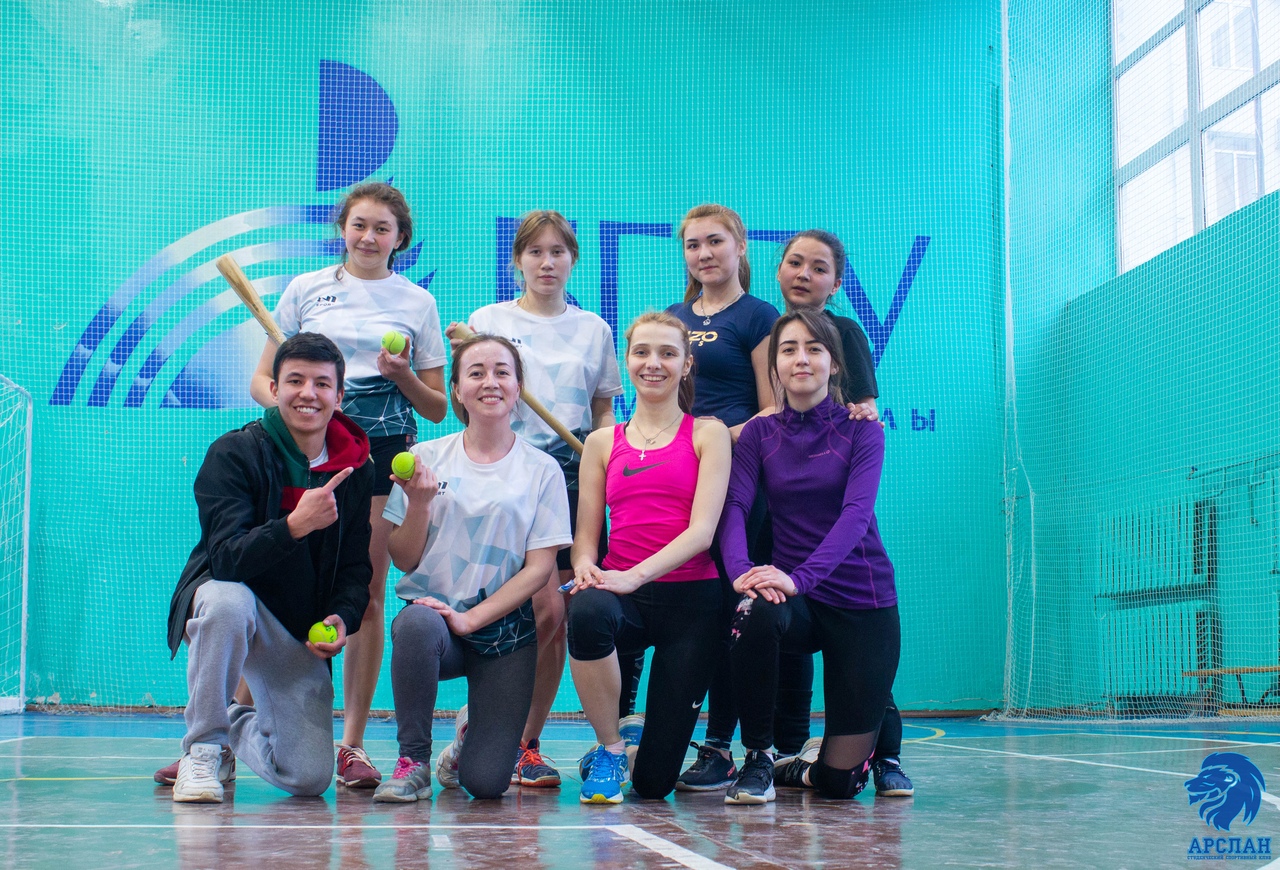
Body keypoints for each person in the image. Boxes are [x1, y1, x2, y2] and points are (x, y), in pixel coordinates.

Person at [248, 182, 448, 788]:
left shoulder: (417, 302)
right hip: (305, 449)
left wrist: (401, 374)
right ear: (343, 229)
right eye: (359, 224)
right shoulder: (305, 289)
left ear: (400, 238)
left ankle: (352, 745)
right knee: (267, 583)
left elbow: (437, 407)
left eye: (382, 228)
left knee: (367, 592)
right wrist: (310, 416)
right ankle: (228, 733)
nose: (368, 236)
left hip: (382, 453)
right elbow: (262, 382)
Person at [164, 332, 373, 803]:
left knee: (307, 778)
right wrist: (294, 525)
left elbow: (355, 567)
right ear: (274, 389)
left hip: (293, 627)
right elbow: (225, 559)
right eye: (295, 381)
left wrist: (342, 616)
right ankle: (204, 749)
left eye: (322, 384)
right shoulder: (234, 452)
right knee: (226, 602)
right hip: (233, 601)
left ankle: (231, 722)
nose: (308, 393)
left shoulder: (357, 469)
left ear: (340, 396)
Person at [451, 211, 622, 789]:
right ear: (517, 260)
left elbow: (603, 409)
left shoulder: (594, 329)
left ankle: (523, 741)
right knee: (521, 608)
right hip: (505, 475)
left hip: (570, 478)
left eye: (558, 252)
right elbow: (477, 396)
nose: (547, 263)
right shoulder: (489, 321)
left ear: (573, 259)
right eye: (535, 252)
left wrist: (605, 455)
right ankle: (485, 721)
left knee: (555, 617)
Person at [372, 335, 571, 802]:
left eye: (502, 372)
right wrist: (420, 504)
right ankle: (413, 762)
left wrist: (471, 619)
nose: (490, 382)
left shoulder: (543, 469)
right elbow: (402, 558)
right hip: (435, 624)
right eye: (476, 373)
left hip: (505, 633)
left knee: (485, 784)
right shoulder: (424, 459)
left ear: (518, 388)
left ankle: (466, 741)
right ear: (457, 390)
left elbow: (539, 570)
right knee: (416, 624)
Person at [720, 310, 900, 804]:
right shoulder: (759, 433)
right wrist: (740, 573)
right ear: (774, 366)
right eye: (788, 349)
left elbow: (856, 516)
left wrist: (799, 578)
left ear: (834, 364)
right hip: (794, 600)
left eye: (814, 349)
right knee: (754, 608)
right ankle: (758, 757)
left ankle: (805, 768)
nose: (801, 359)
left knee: (841, 786)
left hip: (861, 599)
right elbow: (735, 506)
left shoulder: (863, 430)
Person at [565, 312, 732, 803]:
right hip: (625, 599)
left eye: (667, 353)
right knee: (587, 609)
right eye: (641, 352)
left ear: (686, 365)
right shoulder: (601, 442)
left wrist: (632, 576)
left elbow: (702, 533)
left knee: (655, 787)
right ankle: (611, 748)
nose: (653, 363)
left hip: (692, 603)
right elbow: (586, 537)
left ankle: (641, 748)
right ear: (627, 360)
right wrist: (585, 566)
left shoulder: (709, 433)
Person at [773, 229, 912, 796]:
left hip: (833, 533)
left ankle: (886, 755)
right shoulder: (771, 331)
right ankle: (781, 752)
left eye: (819, 267)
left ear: (835, 283)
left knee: (860, 646)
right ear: (778, 270)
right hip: (780, 513)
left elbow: (864, 409)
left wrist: (858, 418)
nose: (804, 274)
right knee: (781, 631)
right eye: (795, 263)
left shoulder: (846, 334)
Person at [652, 204, 776, 792]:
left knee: (734, 611)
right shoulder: (674, 319)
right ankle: (672, 739)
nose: (703, 254)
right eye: (692, 244)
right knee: (693, 611)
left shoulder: (759, 316)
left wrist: (712, 441)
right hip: (679, 483)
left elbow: (771, 410)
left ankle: (730, 748)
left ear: (740, 246)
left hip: (737, 482)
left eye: (715, 241)